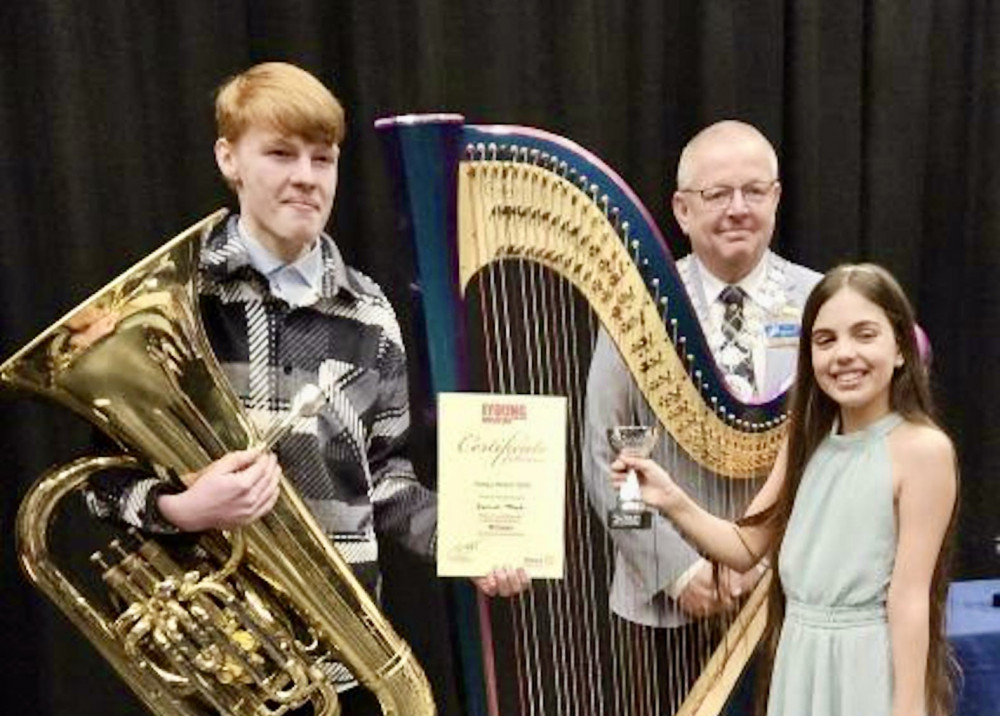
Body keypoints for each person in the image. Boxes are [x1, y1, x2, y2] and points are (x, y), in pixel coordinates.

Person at [84, 61, 527, 714]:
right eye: (281, 153)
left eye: (323, 158)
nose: (305, 177)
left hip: (340, 658)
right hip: (220, 663)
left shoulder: (369, 311)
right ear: (228, 157)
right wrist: (184, 509)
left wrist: (470, 541)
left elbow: (388, 481)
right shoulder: (173, 299)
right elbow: (100, 480)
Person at [613, 263, 958, 716]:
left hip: (865, 664)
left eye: (865, 334)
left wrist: (909, 709)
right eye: (825, 340)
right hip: (798, 657)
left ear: (899, 349)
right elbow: (744, 546)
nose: (844, 354)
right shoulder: (804, 437)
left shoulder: (923, 450)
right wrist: (670, 499)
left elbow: (911, 598)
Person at [583, 120, 821, 631]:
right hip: (664, 607)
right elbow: (609, 459)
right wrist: (676, 570)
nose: (738, 208)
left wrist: (759, 558)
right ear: (682, 210)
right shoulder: (635, 308)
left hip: (792, 598)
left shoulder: (823, 305)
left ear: (776, 199)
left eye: (754, 191)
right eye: (717, 193)